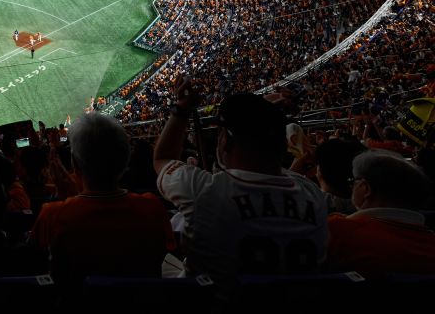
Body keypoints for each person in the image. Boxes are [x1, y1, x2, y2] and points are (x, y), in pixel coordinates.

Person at [153, 88, 328, 277]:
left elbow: (162, 158)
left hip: (213, 295)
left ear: (226, 141)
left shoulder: (203, 190)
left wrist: (182, 109)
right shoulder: (313, 195)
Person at [31, 112, 174, 285]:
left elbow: (33, 264)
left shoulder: (52, 215)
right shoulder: (152, 207)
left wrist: (63, 197)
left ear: (74, 164)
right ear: (125, 159)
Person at [325, 151, 435, 277]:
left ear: (365, 188)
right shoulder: (430, 244)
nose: (351, 187)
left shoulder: (338, 230)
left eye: (352, 181)